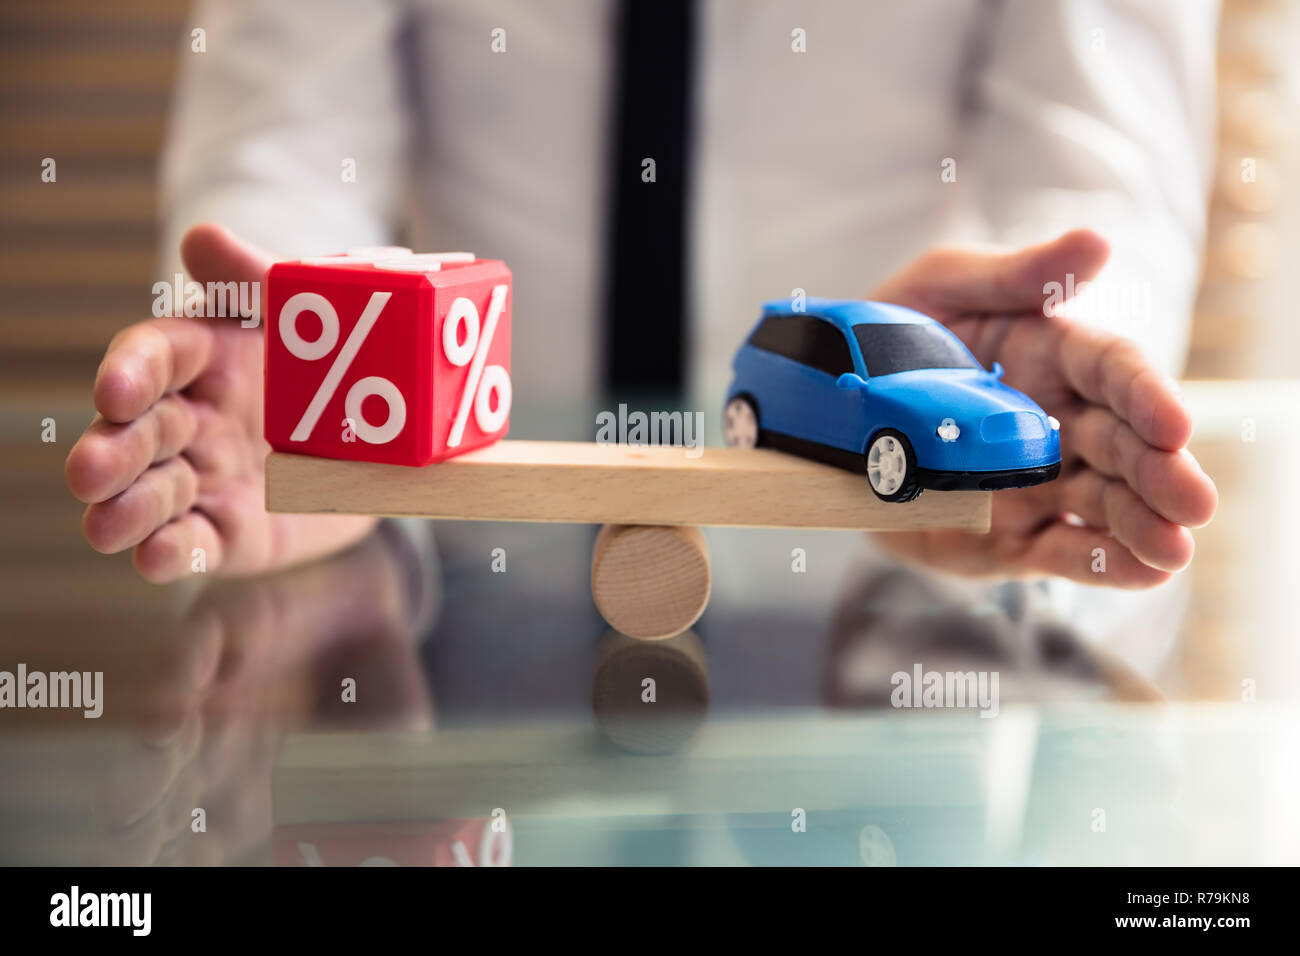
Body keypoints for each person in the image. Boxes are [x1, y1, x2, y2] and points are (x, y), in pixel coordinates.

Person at [65, 0, 1218, 592]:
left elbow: (1098, 146)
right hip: (460, 576)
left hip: (893, 626)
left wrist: (1056, 344)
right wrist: (303, 357)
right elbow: (288, 128)